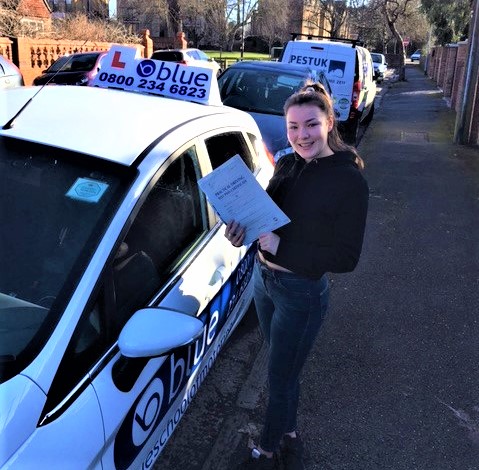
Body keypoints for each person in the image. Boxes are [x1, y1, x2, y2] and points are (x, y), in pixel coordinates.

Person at [224, 80, 369, 470]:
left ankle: (267, 451)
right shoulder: (287, 163)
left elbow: (346, 257)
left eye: (310, 125)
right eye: (293, 126)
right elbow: (264, 217)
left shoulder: (349, 179)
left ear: (329, 123)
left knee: (279, 377)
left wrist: (281, 248)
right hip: (264, 281)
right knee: (282, 369)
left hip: (301, 293)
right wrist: (241, 231)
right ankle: (288, 434)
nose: (301, 135)